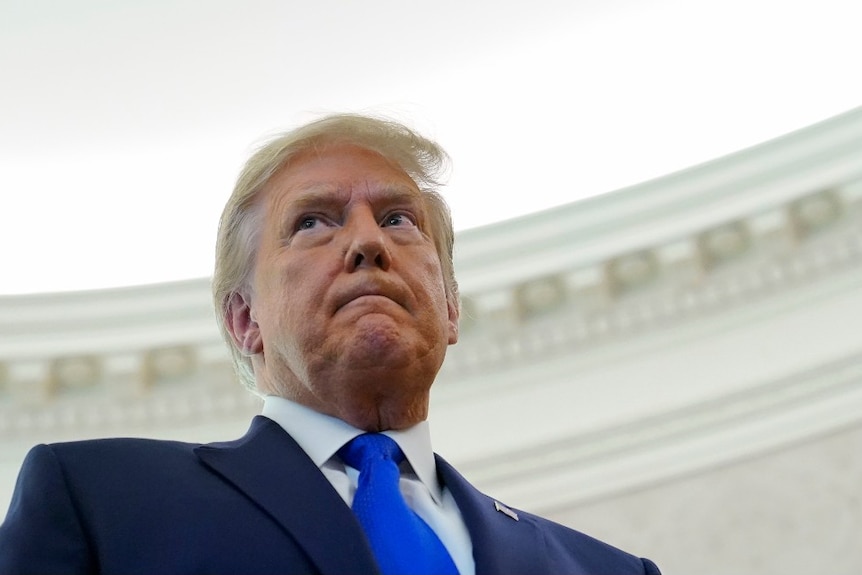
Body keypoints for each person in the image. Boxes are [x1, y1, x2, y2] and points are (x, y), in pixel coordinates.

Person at [0, 114, 660, 574]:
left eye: (399, 218)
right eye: (313, 221)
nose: (368, 242)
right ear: (243, 319)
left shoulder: (603, 569)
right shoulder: (101, 502)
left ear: (452, 305)